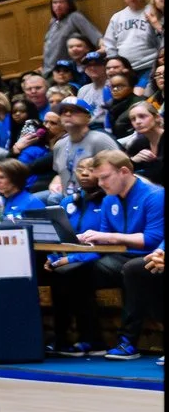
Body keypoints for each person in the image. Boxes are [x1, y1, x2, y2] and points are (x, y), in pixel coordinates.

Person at [44, 150, 163, 360]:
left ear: (124, 171)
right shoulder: (109, 200)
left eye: (105, 177)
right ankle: (91, 339)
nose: (100, 183)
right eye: (98, 178)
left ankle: (128, 342)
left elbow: (152, 239)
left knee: (132, 270)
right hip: (115, 257)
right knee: (72, 273)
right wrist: (71, 258)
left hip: (147, 256)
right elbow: (104, 242)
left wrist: (110, 237)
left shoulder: (154, 196)